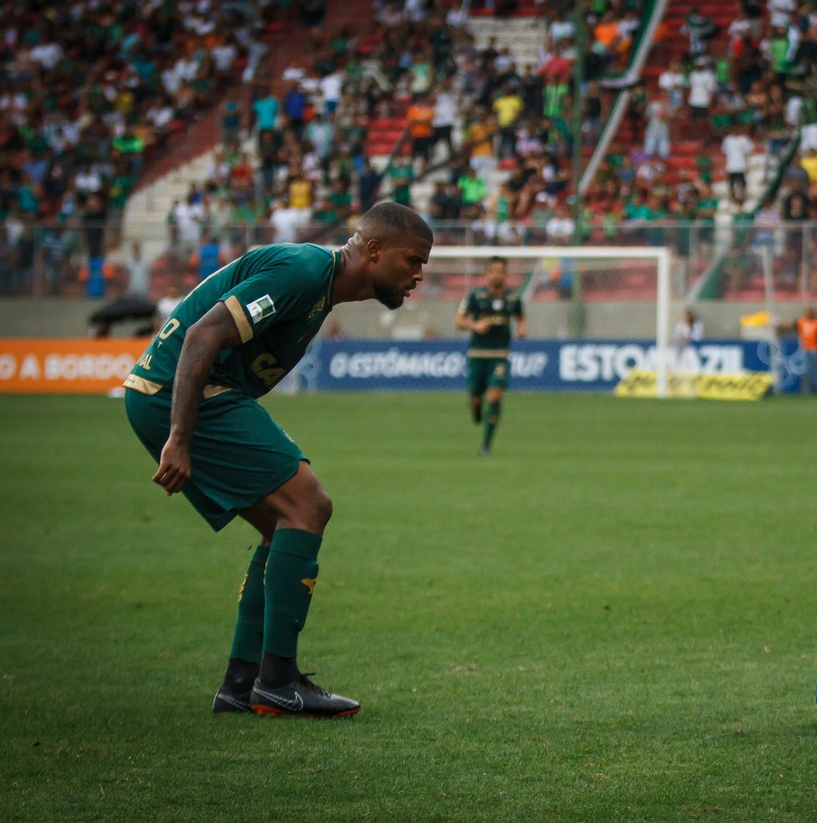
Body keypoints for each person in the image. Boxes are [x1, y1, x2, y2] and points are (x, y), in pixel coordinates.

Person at [123, 201, 434, 718]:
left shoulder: (319, 288)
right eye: (413, 261)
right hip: (178, 396)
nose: (419, 275)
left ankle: (242, 685)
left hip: (180, 396)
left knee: (281, 524)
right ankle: (279, 680)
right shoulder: (304, 271)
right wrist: (179, 435)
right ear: (374, 250)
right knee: (308, 506)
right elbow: (203, 335)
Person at [457, 256, 527, 455]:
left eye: (501, 271)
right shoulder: (475, 297)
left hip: (499, 354)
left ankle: (486, 444)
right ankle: (477, 411)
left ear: (505, 274)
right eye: (493, 271)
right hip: (478, 355)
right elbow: (459, 321)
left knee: (495, 395)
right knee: (475, 400)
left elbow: (521, 318)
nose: (497, 274)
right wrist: (475, 325)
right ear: (487, 274)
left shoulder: (513, 299)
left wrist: (522, 329)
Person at [785, 306, 817, 394]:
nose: (810, 313)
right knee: (805, 369)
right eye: (808, 312)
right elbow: (791, 326)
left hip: (815, 348)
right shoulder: (801, 321)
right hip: (804, 348)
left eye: (812, 312)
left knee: (815, 368)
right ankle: (807, 389)